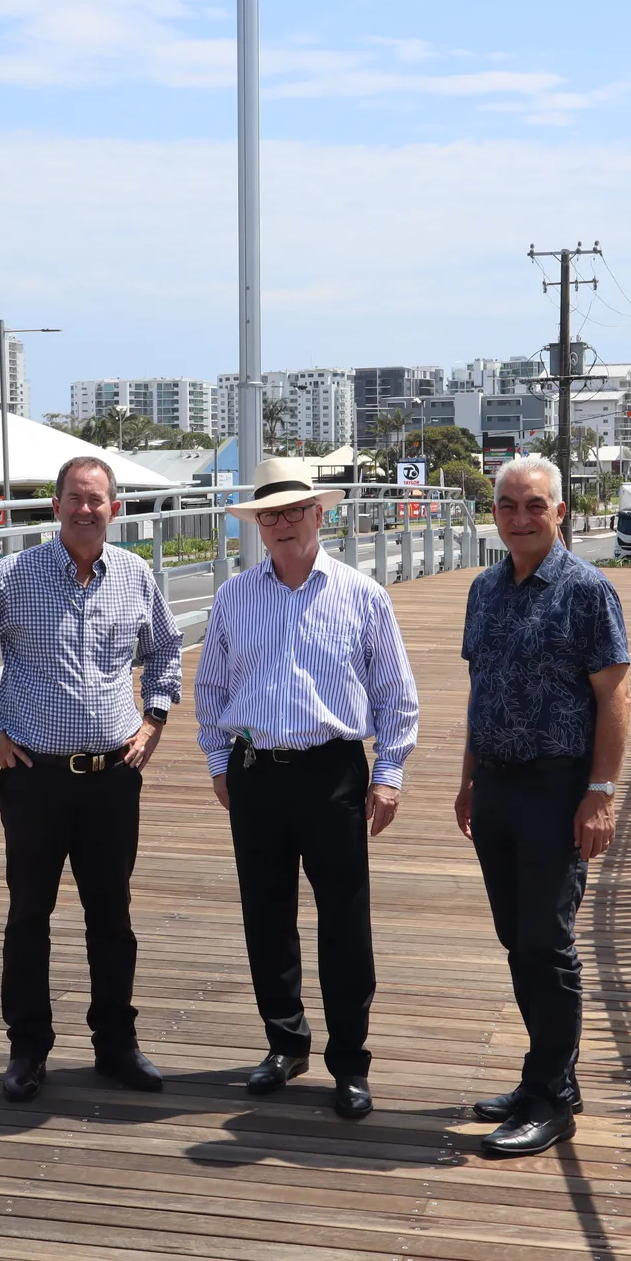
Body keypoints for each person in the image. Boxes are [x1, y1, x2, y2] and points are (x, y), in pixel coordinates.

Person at [0, 456, 184, 1103]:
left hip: (112, 776)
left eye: (97, 499)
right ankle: (27, 1047)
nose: (85, 509)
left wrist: (153, 721)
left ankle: (116, 1043)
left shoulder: (134, 575)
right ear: (56, 506)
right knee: (28, 916)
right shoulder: (13, 576)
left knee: (112, 916)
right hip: (35, 778)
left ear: (115, 509)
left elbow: (166, 648)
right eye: (75, 498)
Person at [195, 457, 420, 1119]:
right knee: (266, 918)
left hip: (333, 773)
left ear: (322, 514)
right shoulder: (235, 597)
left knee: (345, 924)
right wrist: (217, 763)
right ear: (258, 526)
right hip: (256, 773)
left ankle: (349, 1062)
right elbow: (209, 689)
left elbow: (396, 697)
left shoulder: (361, 594)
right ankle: (285, 1042)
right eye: (272, 514)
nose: (284, 523)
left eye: (296, 510)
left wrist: (389, 775)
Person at [454, 454, 631, 1158]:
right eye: (507, 505)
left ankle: (553, 1098)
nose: (520, 518)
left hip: (558, 788)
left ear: (561, 511)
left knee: (546, 944)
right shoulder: (484, 589)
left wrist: (601, 794)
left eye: (534, 505)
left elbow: (614, 696)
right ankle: (545, 1075)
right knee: (515, 936)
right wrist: (468, 776)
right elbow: (480, 689)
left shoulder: (589, 591)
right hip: (495, 784)